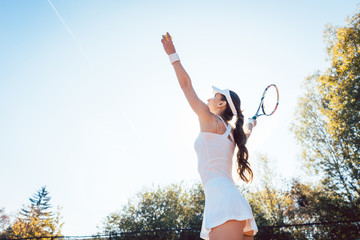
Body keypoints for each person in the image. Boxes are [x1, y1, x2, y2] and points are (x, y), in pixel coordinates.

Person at [161, 32, 258, 240]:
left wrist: (173, 55)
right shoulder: (235, 135)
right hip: (230, 202)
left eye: (215, 97)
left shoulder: (211, 120)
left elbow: (186, 85)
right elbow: (246, 132)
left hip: (223, 202)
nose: (209, 98)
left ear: (222, 105)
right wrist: (251, 124)